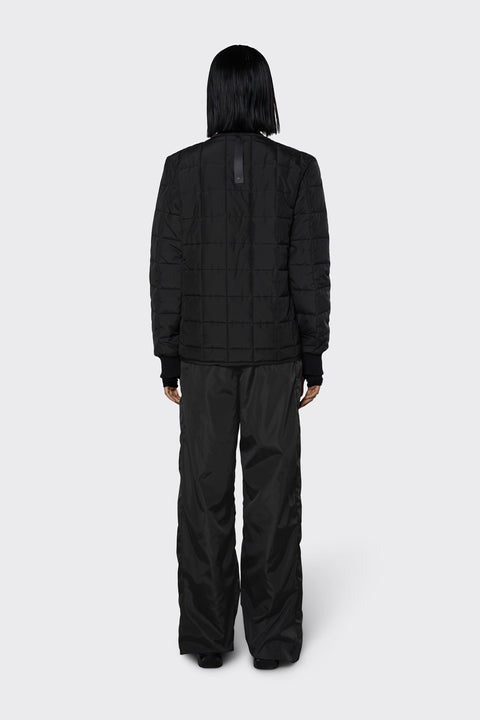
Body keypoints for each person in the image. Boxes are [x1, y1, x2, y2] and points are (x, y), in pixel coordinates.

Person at [149, 45, 330, 670]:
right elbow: (310, 270)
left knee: (203, 497)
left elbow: (166, 269)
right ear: (264, 95)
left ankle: (207, 639)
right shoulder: (299, 170)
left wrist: (168, 356)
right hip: (276, 359)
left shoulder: (180, 170)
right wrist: (313, 356)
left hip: (202, 359)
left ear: (215, 96)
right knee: (274, 497)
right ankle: (274, 641)